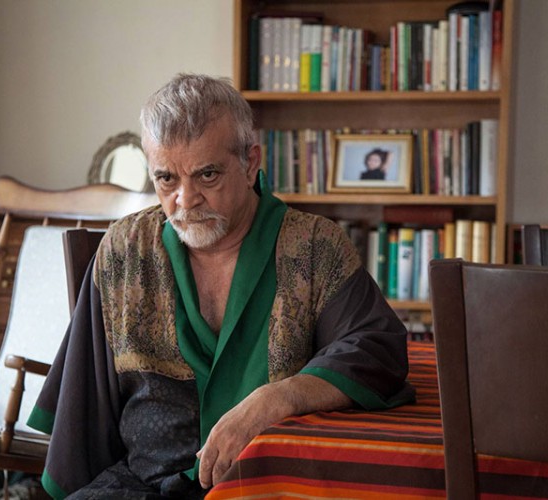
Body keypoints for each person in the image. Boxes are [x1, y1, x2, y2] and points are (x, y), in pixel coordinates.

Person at [28, 73, 414, 499]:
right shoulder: (124, 251)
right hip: (141, 485)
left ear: (250, 163)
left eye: (207, 175)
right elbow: (83, 414)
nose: (186, 199)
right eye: (167, 179)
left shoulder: (314, 247)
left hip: (267, 487)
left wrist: (278, 399)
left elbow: (376, 348)